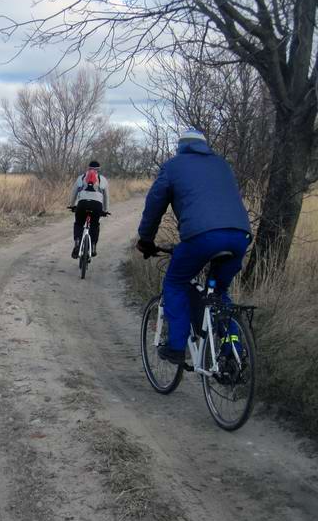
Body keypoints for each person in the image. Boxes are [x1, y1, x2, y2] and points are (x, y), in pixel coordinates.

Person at [136, 127, 251, 365]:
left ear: (180, 147)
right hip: (241, 235)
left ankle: (177, 347)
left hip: (202, 236)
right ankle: (233, 353)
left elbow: (154, 204)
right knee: (219, 293)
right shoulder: (222, 164)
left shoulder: (173, 166)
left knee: (175, 282)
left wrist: (146, 239)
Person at [69, 160, 110, 258]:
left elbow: (73, 193)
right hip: (97, 206)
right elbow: (106, 197)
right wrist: (105, 210)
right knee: (95, 225)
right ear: (98, 169)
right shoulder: (103, 179)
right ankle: (93, 246)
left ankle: (78, 243)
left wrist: (72, 205)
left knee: (79, 223)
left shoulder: (81, 178)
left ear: (88, 168)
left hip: (82, 204)